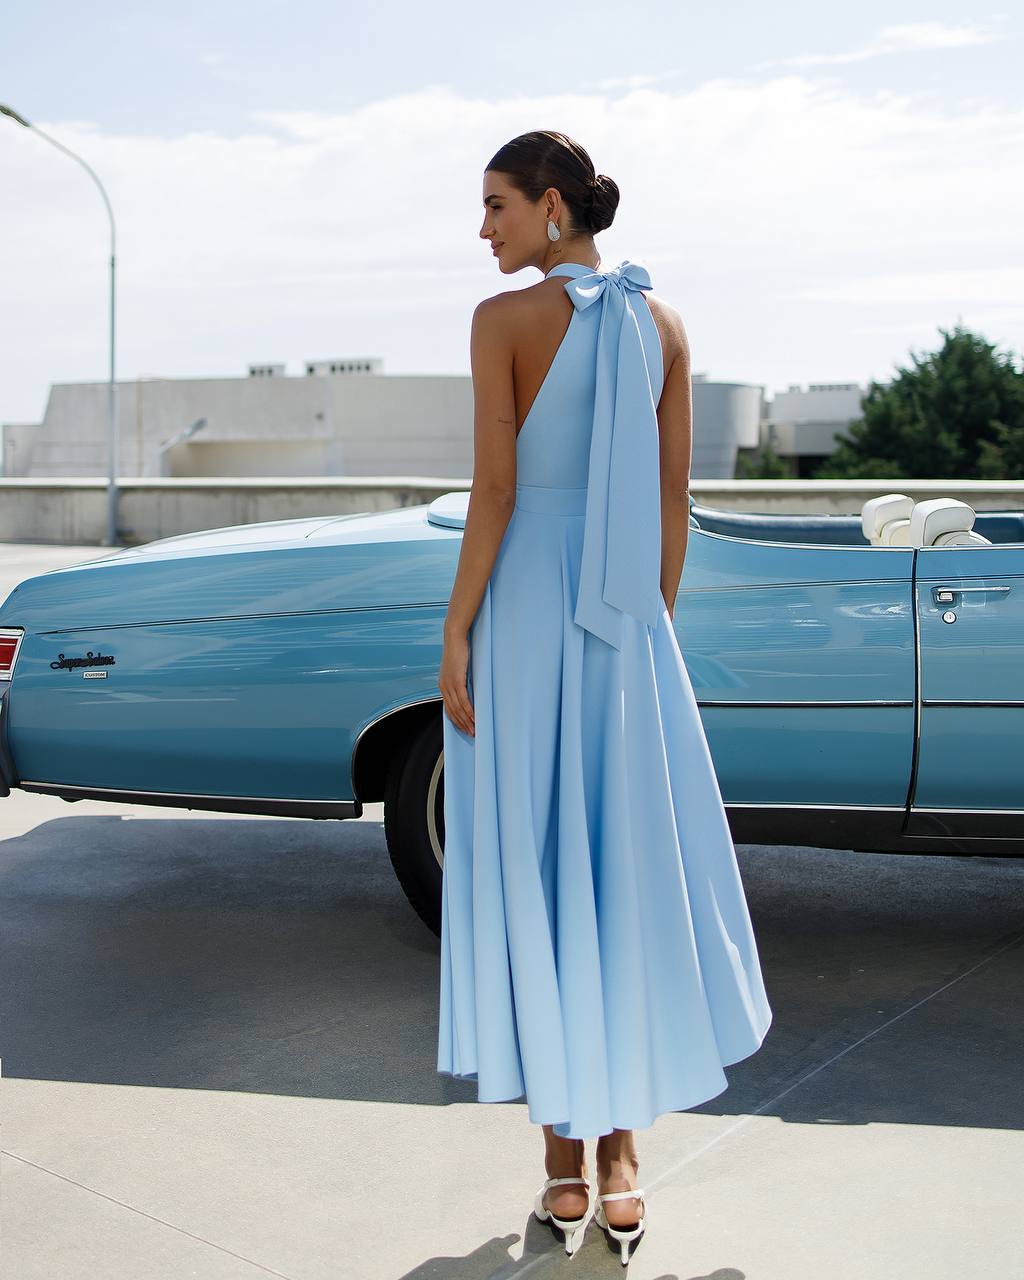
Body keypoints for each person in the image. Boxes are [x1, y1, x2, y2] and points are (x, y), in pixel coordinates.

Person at [436, 129, 773, 1264]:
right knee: (618, 866)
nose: (483, 229)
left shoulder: (502, 323)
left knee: (539, 865)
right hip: (627, 628)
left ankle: (563, 1166)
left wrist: (456, 625)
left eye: (494, 206)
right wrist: (645, 629)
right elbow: (671, 503)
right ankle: (624, 1162)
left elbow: (495, 487)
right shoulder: (662, 322)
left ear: (548, 206)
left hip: (529, 613)